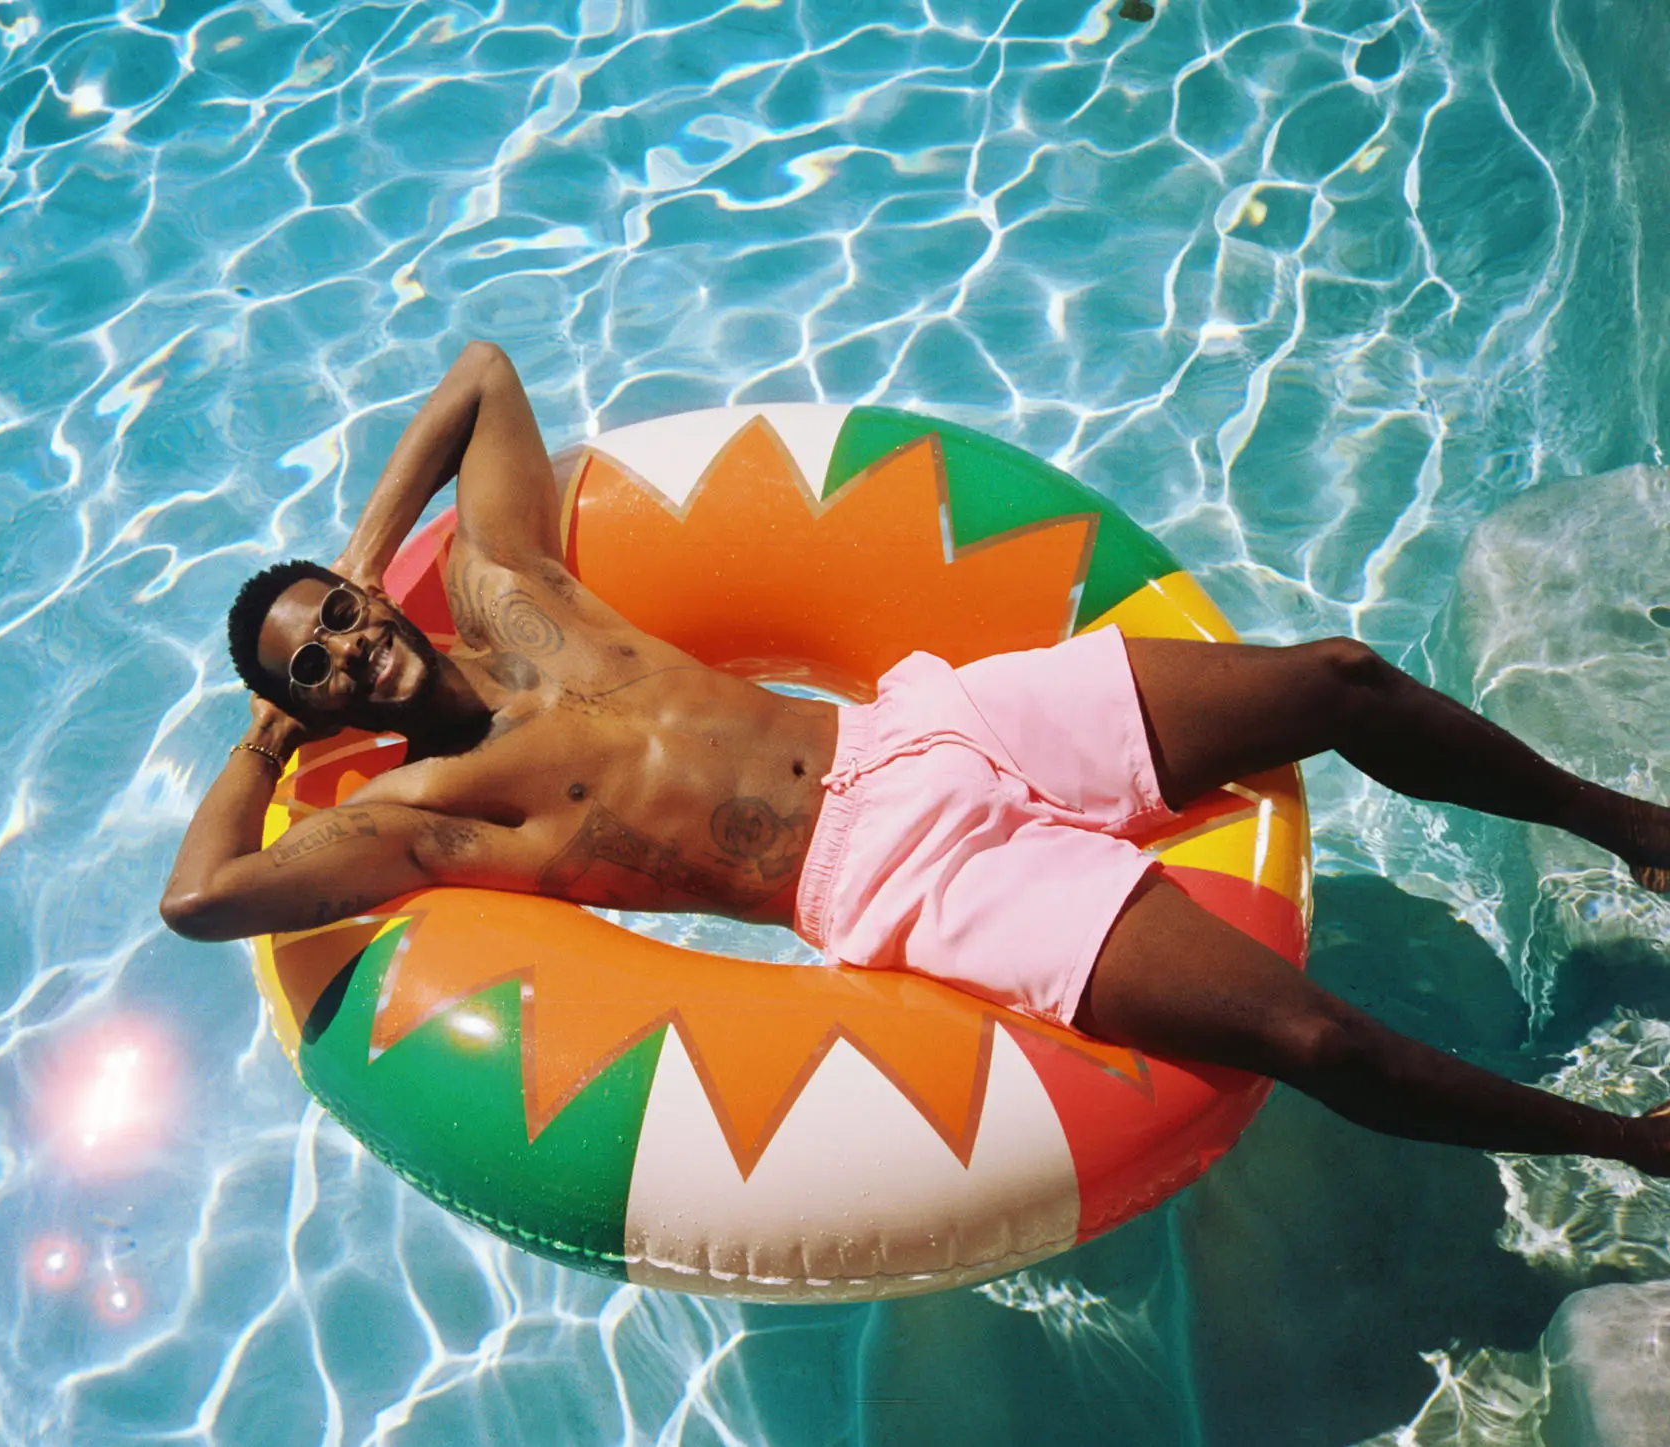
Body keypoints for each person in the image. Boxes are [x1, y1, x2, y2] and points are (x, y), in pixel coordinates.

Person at [162, 341, 1670, 1172]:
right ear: (321, 707)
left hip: (931, 723)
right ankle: (1629, 1141)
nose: (355, 646)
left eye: (344, 621)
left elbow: (482, 373)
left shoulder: (508, 583)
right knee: (1319, 1043)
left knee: (1342, 678)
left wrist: (349, 555)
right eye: (320, 663)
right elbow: (202, 898)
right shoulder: (429, 810)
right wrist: (259, 737)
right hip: (900, 878)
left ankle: (1630, 826)